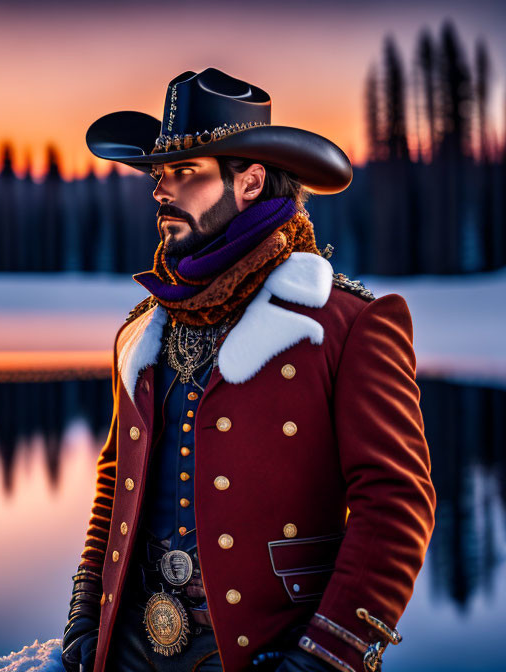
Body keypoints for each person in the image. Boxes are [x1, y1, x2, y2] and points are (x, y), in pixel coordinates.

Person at [61, 68, 436, 672]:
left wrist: (325, 657)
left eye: (186, 173)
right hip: (129, 649)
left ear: (252, 181)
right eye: (160, 174)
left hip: (267, 652)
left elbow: (395, 503)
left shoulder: (348, 323)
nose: (162, 191)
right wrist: (85, 613)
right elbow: (116, 480)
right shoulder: (141, 329)